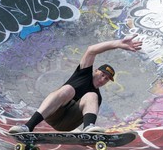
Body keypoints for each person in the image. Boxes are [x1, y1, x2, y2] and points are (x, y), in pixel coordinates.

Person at [9, 35, 142, 133]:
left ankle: (88, 129)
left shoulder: (96, 97)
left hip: (67, 123)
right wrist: (117, 44)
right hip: (52, 114)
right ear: (95, 71)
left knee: (92, 96)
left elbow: (88, 104)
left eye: (106, 79)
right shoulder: (83, 74)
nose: (103, 79)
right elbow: (91, 50)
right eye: (102, 75)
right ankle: (28, 126)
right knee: (67, 89)